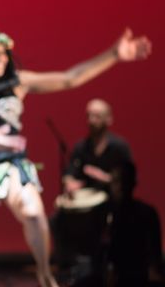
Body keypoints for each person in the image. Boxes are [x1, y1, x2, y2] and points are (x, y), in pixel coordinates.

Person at [0, 27, 151, 287]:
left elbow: (70, 78)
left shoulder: (17, 83)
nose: (1, 60)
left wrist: (114, 54)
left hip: (10, 167)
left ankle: (45, 275)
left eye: (4, 54)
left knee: (34, 214)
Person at [52, 99, 133, 284]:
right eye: (88, 115)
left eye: (96, 116)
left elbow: (128, 177)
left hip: (111, 201)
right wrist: (70, 183)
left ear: (108, 119)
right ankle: (68, 267)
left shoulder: (118, 147)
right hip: (86, 202)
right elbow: (70, 172)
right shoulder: (82, 147)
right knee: (57, 218)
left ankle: (104, 266)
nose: (91, 120)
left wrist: (104, 177)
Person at [107, 161, 165, 287]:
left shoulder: (147, 213)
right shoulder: (105, 214)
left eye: (123, 181)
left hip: (138, 275)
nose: (120, 187)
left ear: (132, 183)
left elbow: (154, 254)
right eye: (116, 181)